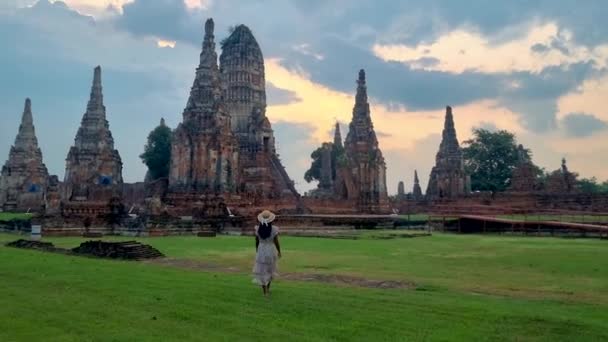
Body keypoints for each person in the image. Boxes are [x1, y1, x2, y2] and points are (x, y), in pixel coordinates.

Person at [252, 210, 281, 296]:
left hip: (261, 249)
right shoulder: (274, 229)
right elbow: (276, 242)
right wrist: (279, 251)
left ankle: (265, 291)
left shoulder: (258, 229)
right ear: (271, 220)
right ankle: (267, 289)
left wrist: (257, 250)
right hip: (271, 249)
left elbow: (256, 241)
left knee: (262, 270)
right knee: (270, 270)